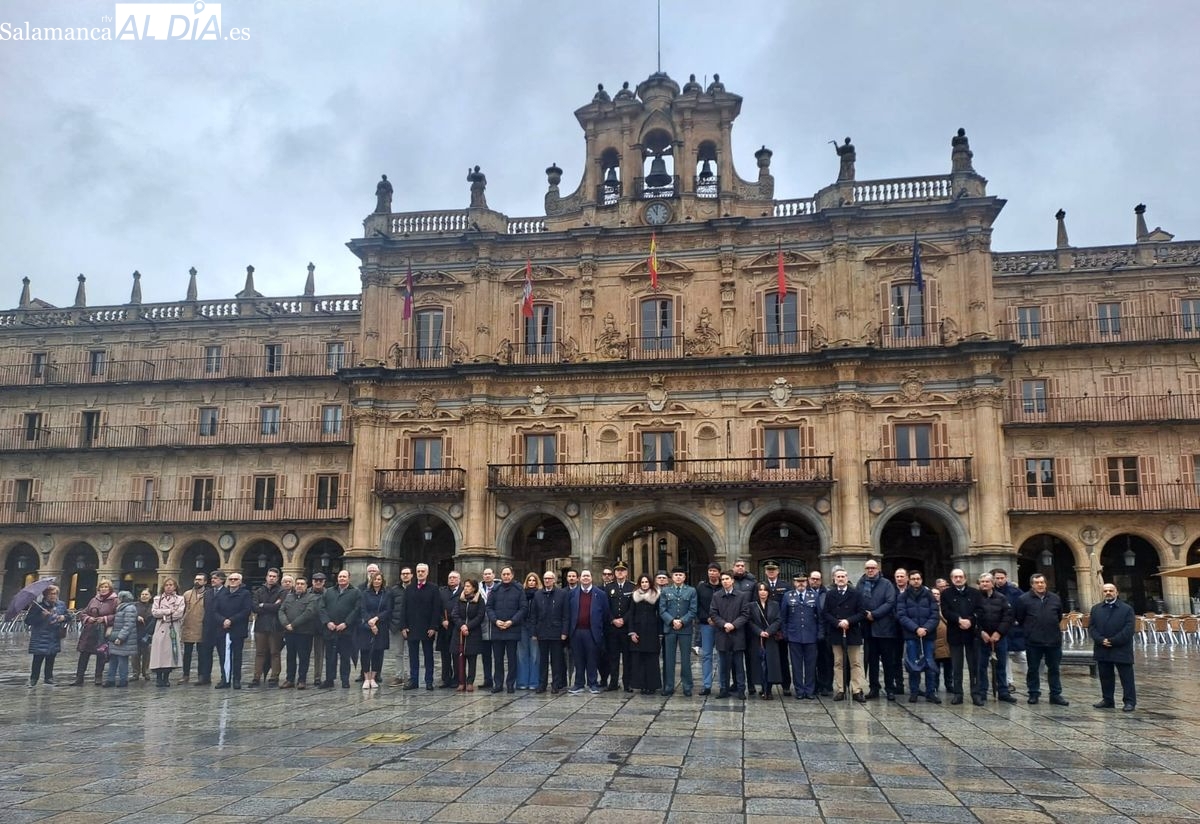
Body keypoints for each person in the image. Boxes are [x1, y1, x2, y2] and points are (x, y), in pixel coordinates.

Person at [1015, 573, 1068, 706]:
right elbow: (1020, 618)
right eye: (1037, 583)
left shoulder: (1055, 598)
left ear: (1045, 584)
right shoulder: (1023, 599)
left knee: (1054, 668)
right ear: (1032, 585)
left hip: (1053, 640)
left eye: (1042, 582)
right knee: (1033, 669)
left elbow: (1058, 616)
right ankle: (1033, 693)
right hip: (1033, 641)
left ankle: (1055, 694)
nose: (1040, 585)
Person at [896, 571, 941, 703]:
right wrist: (916, 628)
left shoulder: (929, 595)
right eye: (913, 579)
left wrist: (925, 628)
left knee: (930, 663)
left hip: (928, 634)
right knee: (913, 664)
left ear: (921, 580)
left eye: (918, 578)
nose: (916, 581)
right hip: (911, 635)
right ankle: (914, 691)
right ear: (909, 580)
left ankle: (930, 692)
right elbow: (902, 615)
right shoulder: (903, 596)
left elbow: (935, 614)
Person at [1090, 582, 1136, 712]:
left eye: (1111, 590)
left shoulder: (1126, 609)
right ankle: (1108, 700)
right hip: (1102, 648)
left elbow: (1128, 629)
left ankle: (1129, 701)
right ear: (1102, 593)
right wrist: (1101, 640)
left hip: (1121, 649)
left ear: (1116, 592)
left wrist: (1113, 641)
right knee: (1105, 676)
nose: (1108, 593)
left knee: (1126, 677)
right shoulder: (1096, 609)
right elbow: (1092, 628)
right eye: (1105, 591)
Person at [857, 558, 899, 701]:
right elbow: (857, 602)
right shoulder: (861, 583)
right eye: (868, 568)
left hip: (885, 628)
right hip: (868, 629)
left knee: (888, 661)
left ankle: (890, 688)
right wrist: (865, 614)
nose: (870, 570)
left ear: (878, 569)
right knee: (871, 661)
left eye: (873, 568)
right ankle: (874, 687)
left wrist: (874, 614)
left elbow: (890, 602)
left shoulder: (886, 584)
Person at [823, 568, 866, 702]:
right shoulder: (830, 594)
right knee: (838, 662)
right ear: (834, 579)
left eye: (843, 576)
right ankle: (841, 689)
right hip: (836, 632)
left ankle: (856, 690)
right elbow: (825, 613)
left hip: (852, 631)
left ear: (847, 578)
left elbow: (862, 612)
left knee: (855, 663)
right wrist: (837, 623)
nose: (840, 579)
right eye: (838, 577)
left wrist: (848, 621)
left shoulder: (856, 594)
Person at [973, 572, 1016, 705]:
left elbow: (1008, 616)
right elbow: (972, 618)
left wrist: (999, 632)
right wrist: (981, 632)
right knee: (981, 666)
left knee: (1001, 665)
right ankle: (982, 692)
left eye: (987, 581)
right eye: (982, 582)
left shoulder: (1002, 598)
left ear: (992, 583)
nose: (984, 584)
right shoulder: (975, 599)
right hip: (982, 638)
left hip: (999, 637)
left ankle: (1003, 691)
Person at [940, 568, 980, 705]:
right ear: (951, 579)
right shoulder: (946, 593)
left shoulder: (975, 593)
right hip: (955, 632)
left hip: (971, 633)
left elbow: (979, 610)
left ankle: (976, 693)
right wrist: (958, 620)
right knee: (956, 666)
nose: (958, 579)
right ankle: (958, 693)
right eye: (955, 577)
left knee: (974, 665)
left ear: (965, 578)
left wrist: (970, 620)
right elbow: (945, 611)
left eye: (960, 576)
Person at [568, 570, 610, 694]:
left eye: (588, 575)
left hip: (592, 632)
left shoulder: (600, 594)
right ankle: (578, 684)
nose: (585, 578)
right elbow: (568, 613)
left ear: (592, 578)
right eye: (583, 576)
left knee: (592, 659)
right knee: (578, 659)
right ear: (580, 578)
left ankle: (593, 683)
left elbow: (606, 614)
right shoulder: (572, 594)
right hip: (576, 632)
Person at [319, 569, 362, 689]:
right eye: (340, 576)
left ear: (349, 578)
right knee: (330, 657)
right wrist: (327, 622)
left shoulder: (355, 592)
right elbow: (322, 608)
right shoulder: (329, 592)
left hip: (346, 631)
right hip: (330, 630)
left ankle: (345, 680)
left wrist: (346, 623)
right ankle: (329, 679)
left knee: (345, 656)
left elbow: (356, 610)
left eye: (344, 577)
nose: (341, 578)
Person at [72, 578, 118, 686]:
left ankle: (98, 676)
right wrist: (88, 618)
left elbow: (117, 615)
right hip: (90, 630)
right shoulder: (94, 600)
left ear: (110, 588)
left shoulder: (115, 600)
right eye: (102, 587)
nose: (103, 589)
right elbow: (83, 613)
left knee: (101, 654)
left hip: (103, 630)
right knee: (84, 653)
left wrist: (105, 618)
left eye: (106, 587)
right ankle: (79, 677)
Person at [710, 571, 749, 699]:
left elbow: (745, 614)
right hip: (722, 634)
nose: (725, 581)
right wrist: (724, 624)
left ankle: (741, 689)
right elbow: (714, 613)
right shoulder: (716, 596)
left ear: (732, 580)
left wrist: (733, 625)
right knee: (723, 665)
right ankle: (723, 689)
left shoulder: (742, 596)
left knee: (738, 664)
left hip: (737, 634)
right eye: (722, 579)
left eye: (727, 579)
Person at [659, 566, 696, 697]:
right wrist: (672, 621)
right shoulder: (665, 591)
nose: (678, 577)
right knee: (669, 659)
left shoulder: (691, 591)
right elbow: (662, 609)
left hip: (685, 629)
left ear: (685, 577)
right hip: (670, 629)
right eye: (676, 575)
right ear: (672, 577)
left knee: (686, 659)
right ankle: (668, 686)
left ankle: (687, 686)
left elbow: (693, 610)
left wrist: (682, 621)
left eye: (681, 575)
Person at [487, 567, 526, 693]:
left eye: (508, 574)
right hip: (497, 628)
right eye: (504, 574)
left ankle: (510, 683)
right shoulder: (495, 589)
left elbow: (523, 608)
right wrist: (495, 620)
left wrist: (511, 621)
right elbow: (489, 607)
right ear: (501, 575)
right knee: (497, 659)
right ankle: (498, 684)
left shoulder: (519, 589)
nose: (506, 576)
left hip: (512, 629)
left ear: (512, 575)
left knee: (512, 659)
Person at [402, 563, 440, 690]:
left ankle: (429, 681)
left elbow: (436, 609)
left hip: (427, 628)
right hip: (411, 627)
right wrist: (403, 626)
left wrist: (433, 627)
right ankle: (414, 681)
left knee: (428, 655)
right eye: (418, 571)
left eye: (423, 571)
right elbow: (404, 608)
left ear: (427, 573)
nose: (420, 573)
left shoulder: (433, 588)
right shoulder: (409, 588)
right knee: (413, 656)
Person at [782, 574, 820, 699]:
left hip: (811, 635)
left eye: (803, 581)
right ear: (794, 583)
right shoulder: (788, 596)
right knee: (796, 665)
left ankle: (809, 690)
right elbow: (783, 617)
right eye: (798, 581)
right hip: (794, 635)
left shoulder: (814, 596)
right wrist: (785, 633)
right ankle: (799, 690)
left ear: (807, 582)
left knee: (810, 664)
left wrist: (820, 633)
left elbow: (819, 617)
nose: (801, 584)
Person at [530, 570, 569, 693]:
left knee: (556, 661)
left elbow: (566, 615)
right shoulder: (538, 594)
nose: (547, 580)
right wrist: (534, 632)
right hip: (542, 632)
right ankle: (542, 684)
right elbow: (533, 615)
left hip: (557, 632)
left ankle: (556, 684)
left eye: (550, 578)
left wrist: (564, 632)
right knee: (543, 661)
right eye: (545, 578)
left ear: (554, 580)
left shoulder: (562, 594)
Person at [213, 573, 252, 689]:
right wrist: (223, 620)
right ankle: (225, 678)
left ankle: (236, 679)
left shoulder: (245, 594)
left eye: (236, 579)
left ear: (240, 581)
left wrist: (231, 620)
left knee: (237, 655)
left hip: (237, 628)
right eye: (231, 579)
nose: (233, 581)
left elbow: (246, 610)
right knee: (223, 655)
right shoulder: (222, 594)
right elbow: (214, 610)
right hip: (222, 628)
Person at [25, 583, 68, 687]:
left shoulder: (61, 605)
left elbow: (68, 616)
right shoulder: (38, 606)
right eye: (50, 594)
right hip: (40, 635)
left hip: (54, 635)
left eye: (55, 594)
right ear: (45, 595)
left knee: (51, 656)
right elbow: (28, 621)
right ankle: (34, 678)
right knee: (38, 658)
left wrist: (63, 617)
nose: (53, 596)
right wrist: (41, 616)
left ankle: (48, 677)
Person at [279, 576, 318, 689]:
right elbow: (281, 610)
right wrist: (286, 624)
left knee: (303, 657)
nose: (299, 586)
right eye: (298, 584)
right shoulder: (289, 597)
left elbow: (308, 613)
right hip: (289, 632)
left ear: (306, 586)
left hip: (304, 632)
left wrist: (293, 624)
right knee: (290, 656)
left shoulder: (312, 598)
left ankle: (302, 680)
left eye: (302, 584)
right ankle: (289, 679)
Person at [249, 567, 285, 688]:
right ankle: (256, 677)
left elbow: (279, 607)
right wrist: (271, 606)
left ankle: (274, 677)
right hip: (261, 625)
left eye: (274, 576)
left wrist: (263, 605)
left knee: (275, 652)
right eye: (270, 576)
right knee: (259, 652)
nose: (271, 578)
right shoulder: (259, 591)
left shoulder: (282, 591)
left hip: (275, 626)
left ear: (277, 578)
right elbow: (254, 607)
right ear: (266, 577)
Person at [627, 575, 662, 695]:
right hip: (638, 630)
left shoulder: (656, 595)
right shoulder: (635, 596)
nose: (644, 584)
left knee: (651, 660)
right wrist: (632, 632)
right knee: (639, 660)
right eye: (642, 582)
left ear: (650, 583)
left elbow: (660, 614)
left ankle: (652, 685)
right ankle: (642, 685)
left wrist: (660, 633)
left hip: (652, 631)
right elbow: (631, 614)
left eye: (646, 582)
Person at [748, 582, 784, 699]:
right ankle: (763, 688)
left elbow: (778, 620)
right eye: (760, 590)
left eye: (765, 590)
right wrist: (759, 632)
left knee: (771, 664)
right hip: (757, 638)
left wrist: (769, 631)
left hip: (771, 638)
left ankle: (769, 689)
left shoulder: (775, 604)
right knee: (760, 664)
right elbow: (749, 621)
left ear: (768, 592)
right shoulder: (752, 605)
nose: (763, 592)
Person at [760, 561, 791, 695]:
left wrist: (782, 628)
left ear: (778, 571)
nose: (771, 572)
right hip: (765, 629)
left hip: (780, 628)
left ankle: (786, 685)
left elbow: (788, 608)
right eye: (769, 570)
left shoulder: (785, 586)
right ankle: (767, 686)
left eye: (773, 570)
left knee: (783, 657)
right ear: (765, 572)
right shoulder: (761, 586)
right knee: (766, 659)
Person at [358, 572, 392, 690]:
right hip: (367, 627)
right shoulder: (365, 594)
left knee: (378, 652)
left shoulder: (386, 594)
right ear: (371, 580)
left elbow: (388, 610)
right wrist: (370, 622)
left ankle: (373, 677)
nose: (377, 581)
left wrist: (376, 619)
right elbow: (362, 609)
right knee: (365, 652)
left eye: (379, 579)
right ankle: (366, 677)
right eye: (375, 579)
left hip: (381, 626)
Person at [149, 578, 185, 687]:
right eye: (166, 585)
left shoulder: (180, 599)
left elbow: (179, 614)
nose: (168, 587)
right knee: (158, 653)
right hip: (160, 628)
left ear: (175, 587)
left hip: (172, 628)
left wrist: (164, 616)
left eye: (171, 585)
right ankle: (159, 677)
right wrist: (168, 611)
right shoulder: (157, 599)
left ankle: (166, 677)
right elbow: (155, 612)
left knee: (169, 654)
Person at [604, 561, 634, 691]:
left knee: (627, 657)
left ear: (626, 572)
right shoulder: (608, 587)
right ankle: (613, 682)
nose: (620, 572)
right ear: (614, 573)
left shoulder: (632, 587)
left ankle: (627, 683)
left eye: (622, 570)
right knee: (613, 657)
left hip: (626, 628)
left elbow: (633, 607)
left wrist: (624, 619)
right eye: (617, 570)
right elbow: (606, 607)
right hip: (613, 628)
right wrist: (613, 620)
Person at [451, 579, 485, 691]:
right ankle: (461, 681)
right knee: (459, 658)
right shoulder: (459, 599)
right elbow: (454, 614)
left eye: (468, 586)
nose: (466, 588)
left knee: (472, 658)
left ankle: (470, 682)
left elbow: (480, 616)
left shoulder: (479, 600)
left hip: (473, 632)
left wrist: (468, 626)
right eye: (465, 586)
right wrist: (462, 626)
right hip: (459, 632)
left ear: (474, 588)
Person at [694, 563, 722, 696]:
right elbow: (697, 605)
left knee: (722, 655)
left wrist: (718, 620)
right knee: (706, 656)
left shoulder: (724, 586)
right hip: (706, 625)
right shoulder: (701, 587)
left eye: (714, 571)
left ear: (719, 573)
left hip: (721, 625)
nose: (712, 573)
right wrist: (707, 618)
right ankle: (707, 685)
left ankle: (723, 684)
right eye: (710, 570)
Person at [103, 590, 139, 687]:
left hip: (124, 639)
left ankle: (123, 680)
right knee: (113, 659)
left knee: (122, 660)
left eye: (118, 598)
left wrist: (121, 637)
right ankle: (110, 679)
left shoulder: (129, 608)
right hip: (115, 636)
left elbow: (129, 624)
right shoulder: (120, 608)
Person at [196, 570, 225, 687]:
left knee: (222, 654)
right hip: (208, 627)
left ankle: (224, 677)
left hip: (220, 627)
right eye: (212, 578)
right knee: (205, 653)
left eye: (216, 578)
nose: (213, 580)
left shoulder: (226, 592)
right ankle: (205, 676)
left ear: (222, 580)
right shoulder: (208, 593)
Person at [180, 572, 208, 684]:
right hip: (188, 626)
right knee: (187, 654)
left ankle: (201, 675)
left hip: (202, 627)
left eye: (200, 580)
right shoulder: (187, 594)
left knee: (202, 654)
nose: (197, 581)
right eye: (196, 579)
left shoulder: (208, 594)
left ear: (205, 582)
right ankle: (185, 675)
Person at [808, 571, 833, 696]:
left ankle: (826, 685)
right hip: (809, 631)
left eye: (817, 579)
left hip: (825, 632)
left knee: (825, 660)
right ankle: (813, 684)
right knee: (811, 660)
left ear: (821, 580)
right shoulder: (804, 593)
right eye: (813, 579)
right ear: (809, 579)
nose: (815, 581)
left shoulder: (827, 593)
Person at [437, 571, 463, 688]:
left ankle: (457, 678)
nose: (452, 579)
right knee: (445, 655)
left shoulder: (463, 591)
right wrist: (442, 620)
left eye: (454, 577)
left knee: (457, 654)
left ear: (459, 579)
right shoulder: (441, 592)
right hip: (444, 627)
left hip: (457, 627)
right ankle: (445, 678)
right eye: (450, 577)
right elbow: (437, 608)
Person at [387, 568, 411, 686]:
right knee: (398, 653)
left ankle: (412, 676)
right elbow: (389, 608)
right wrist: (392, 624)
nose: (405, 576)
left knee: (411, 653)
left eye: (407, 574)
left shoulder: (415, 589)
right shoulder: (394, 590)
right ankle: (399, 676)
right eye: (403, 574)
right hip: (396, 625)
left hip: (412, 626)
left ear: (412, 575)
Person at [517, 572, 541, 690]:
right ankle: (522, 682)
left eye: (534, 580)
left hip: (535, 628)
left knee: (535, 655)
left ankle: (534, 682)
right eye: (529, 580)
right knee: (522, 655)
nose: (531, 582)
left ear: (537, 582)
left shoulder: (540, 594)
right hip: (522, 626)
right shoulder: (521, 595)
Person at [477, 568, 498, 689]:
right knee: (486, 656)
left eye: (489, 574)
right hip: (483, 627)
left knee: (498, 656)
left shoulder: (499, 588)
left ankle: (498, 680)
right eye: (485, 574)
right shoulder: (478, 589)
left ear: (493, 575)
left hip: (497, 627)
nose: (487, 576)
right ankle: (487, 679)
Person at [931, 585, 952, 694]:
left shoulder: (945, 606)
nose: (935, 596)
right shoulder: (928, 606)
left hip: (948, 640)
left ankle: (949, 684)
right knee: (935, 665)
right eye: (933, 594)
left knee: (949, 665)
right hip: (934, 640)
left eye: (937, 594)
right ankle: (934, 685)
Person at [309, 572, 328, 686]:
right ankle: (301, 677)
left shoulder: (328, 593)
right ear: (312, 581)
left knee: (319, 654)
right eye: (316, 580)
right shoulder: (306, 592)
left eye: (320, 581)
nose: (318, 582)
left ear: (324, 582)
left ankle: (317, 676)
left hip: (321, 627)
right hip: (306, 627)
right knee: (303, 654)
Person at [132, 588, 155, 682]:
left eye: (146, 594)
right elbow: (130, 614)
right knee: (135, 654)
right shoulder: (134, 605)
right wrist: (136, 617)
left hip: (148, 632)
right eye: (142, 594)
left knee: (147, 653)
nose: (144, 596)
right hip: (136, 631)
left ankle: (146, 672)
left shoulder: (153, 606)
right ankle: (135, 673)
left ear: (150, 596)